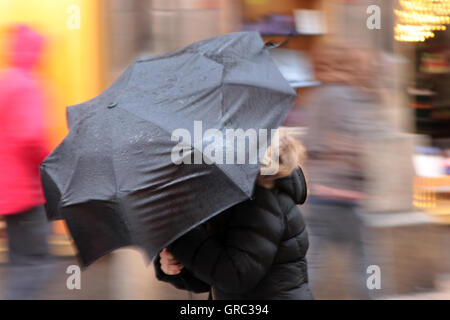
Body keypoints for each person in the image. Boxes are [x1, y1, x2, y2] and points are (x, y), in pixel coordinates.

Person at [153, 131, 313, 300]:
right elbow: (211, 276)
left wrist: (181, 235)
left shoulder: (259, 196)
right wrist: (176, 265)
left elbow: (235, 276)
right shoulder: (229, 190)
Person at [301, 41, 392, 299]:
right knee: (366, 263)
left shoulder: (316, 97)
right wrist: (358, 153)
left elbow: (308, 144)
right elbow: (352, 143)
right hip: (343, 196)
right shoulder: (342, 96)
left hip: (318, 193)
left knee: (312, 265)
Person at [0, 25, 52, 299]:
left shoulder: (4, 80)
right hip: (27, 194)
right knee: (34, 264)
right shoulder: (28, 85)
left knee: (20, 261)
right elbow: (31, 136)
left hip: (7, 194)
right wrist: (51, 162)